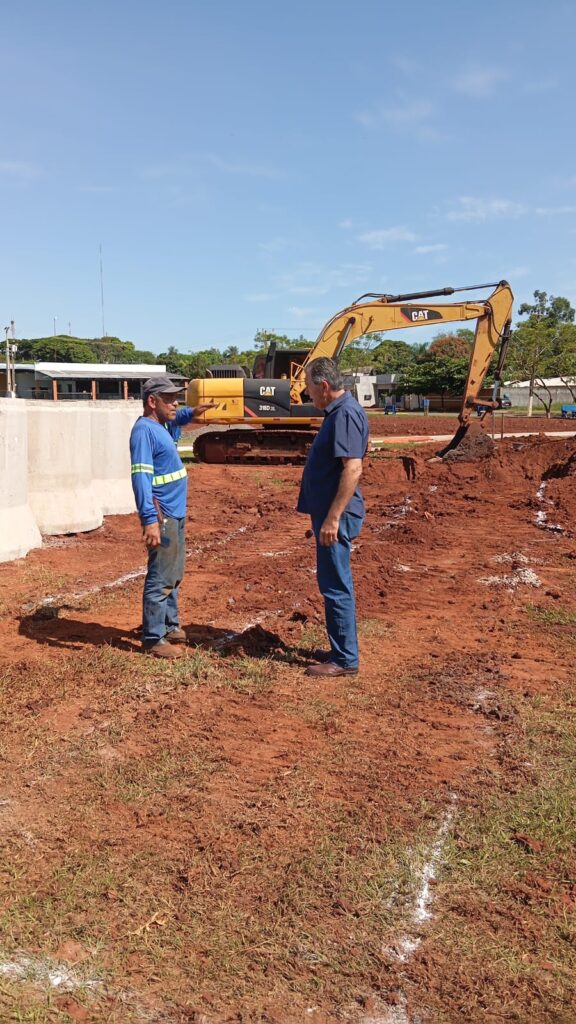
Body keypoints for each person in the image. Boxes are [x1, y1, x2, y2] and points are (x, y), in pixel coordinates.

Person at [129, 375, 213, 658]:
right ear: (152, 402)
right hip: (162, 514)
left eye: (176, 398)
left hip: (175, 511)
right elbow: (141, 477)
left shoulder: (162, 425)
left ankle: (169, 624)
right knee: (161, 575)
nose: (175, 403)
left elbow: (178, 419)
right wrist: (149, 520)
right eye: (169, 399)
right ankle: (153, 637)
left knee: (174, 572)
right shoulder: (144, 431)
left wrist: (193, 412)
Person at [297, 357, 369, 677]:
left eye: (309, 387)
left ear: (324, 386)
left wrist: (333, 517)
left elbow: (353, 468)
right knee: (333, 581)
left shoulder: (345, 414)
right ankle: (341, 649)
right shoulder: (339, 412)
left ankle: (344, 660)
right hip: (329, 514)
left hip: (335, 517)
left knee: (335, 584)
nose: (307, 393)